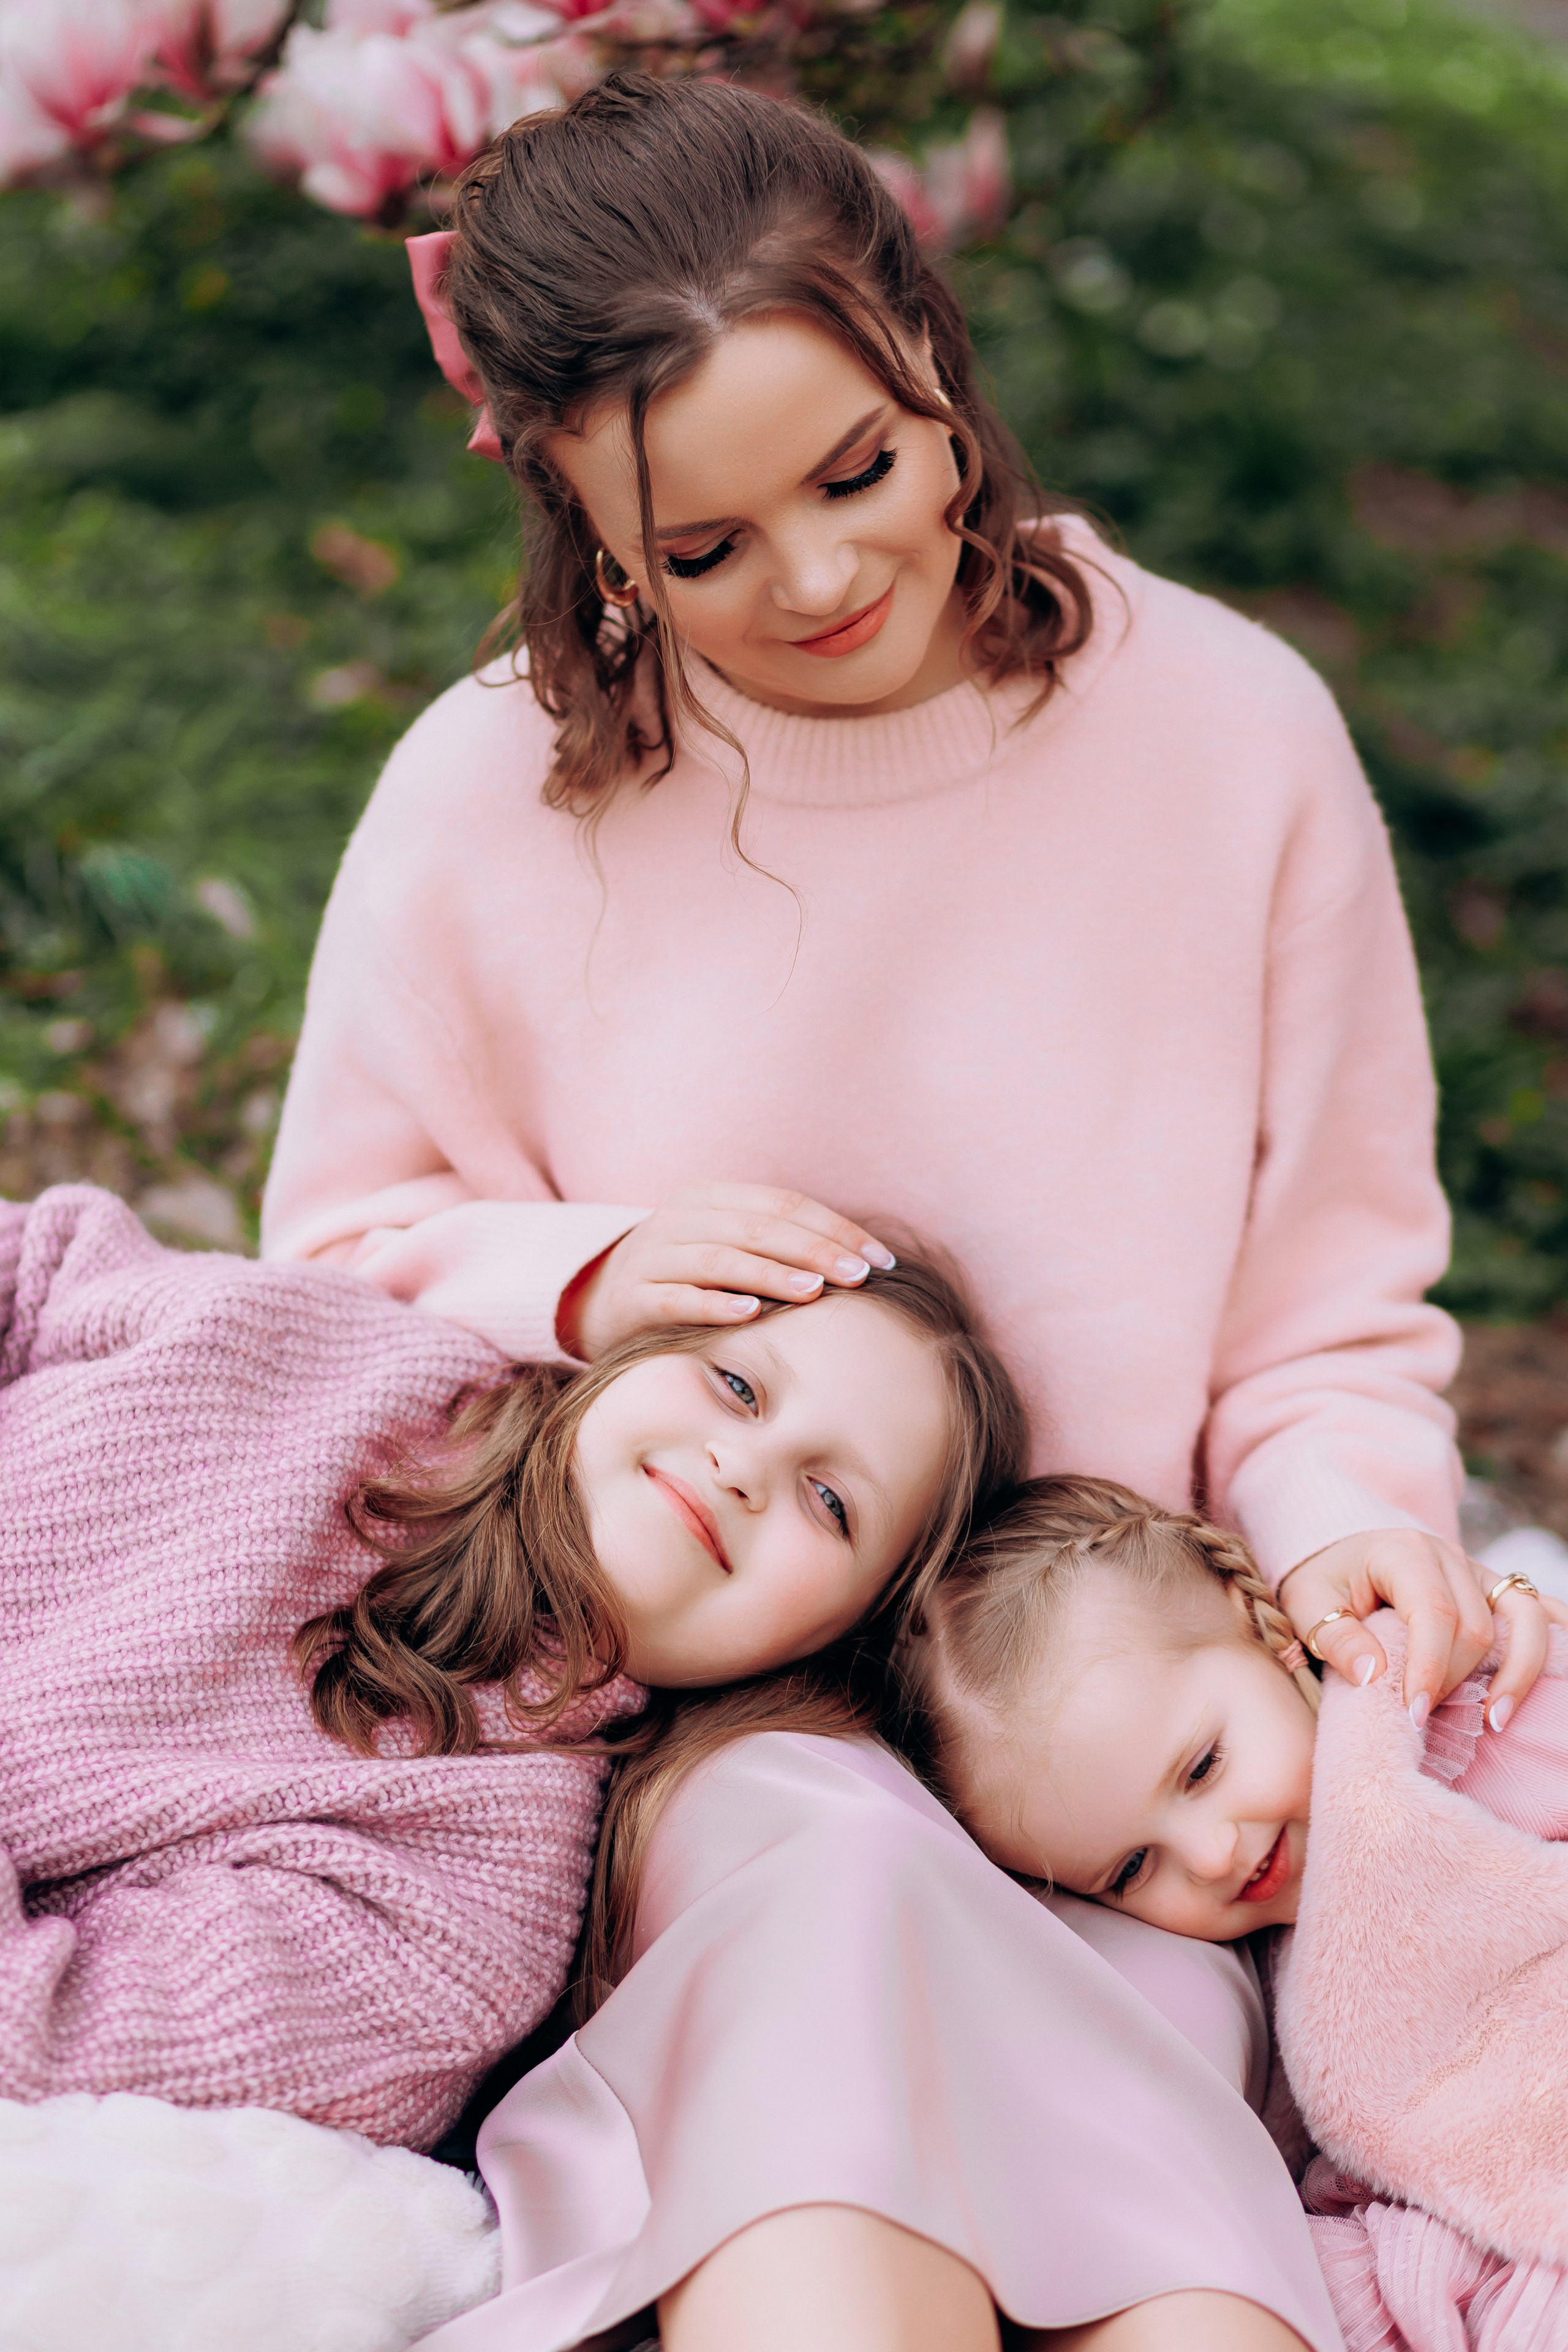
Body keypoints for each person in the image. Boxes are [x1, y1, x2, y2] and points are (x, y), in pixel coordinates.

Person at [258, 67, 1548, 2350]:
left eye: (857, 471)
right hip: (702, 1695)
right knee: (833, 1885)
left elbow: (1336, 1302)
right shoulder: (491, 797)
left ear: (935, 360)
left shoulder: (1230, 738)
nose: (824, 579)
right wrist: (584, 1273)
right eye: (703, 550)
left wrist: (1349, 1511)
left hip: (1120, 1720)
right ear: (576, 527)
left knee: (1132, 2032)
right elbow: (326, 1273)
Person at [0, 1178, 1010, 2144]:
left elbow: (46, 2044)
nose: (744, 1467)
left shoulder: (472, 1893)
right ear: (625, 1359)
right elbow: (37, 1270)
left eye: (831, 1503)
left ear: (838, 1643)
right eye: (736, 1385)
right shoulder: (337, 1349)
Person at [897, 1476, 1568, 2351]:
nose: (1212, 1855)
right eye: (1133, 1867)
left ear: (1267, 1628)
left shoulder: (1467, 1709)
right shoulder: (1271, 1984)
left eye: (1203, 1767)